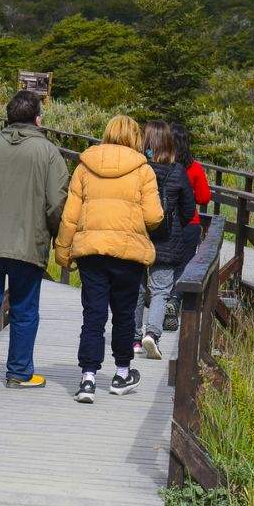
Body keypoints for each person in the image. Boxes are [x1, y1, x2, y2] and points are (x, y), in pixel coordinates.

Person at [0, 90, 69, 393]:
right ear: (38, 119)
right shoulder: (49, 153)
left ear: (7, 117)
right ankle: (19, 372)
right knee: (24, 309)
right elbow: (57, 203)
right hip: (28, 245)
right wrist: (51, 232)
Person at [55, 116, 163, 403]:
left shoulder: (84, 166)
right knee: (124, 315)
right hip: (128, 254)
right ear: (135, 138)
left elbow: (70, 215)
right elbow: (154, 216)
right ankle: (121, 373)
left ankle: (88, 378)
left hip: (91, 251)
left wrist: (62, 251)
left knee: (93, 315)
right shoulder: (143, 170)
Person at [132, 121, 196, 360]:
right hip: (168, 239)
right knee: (160, 290)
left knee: (137, 288)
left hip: (139, 236)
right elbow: (189, 210)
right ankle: (153, 333)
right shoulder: (178, 171)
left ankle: (134, 338)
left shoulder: (138, 169)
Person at [164, 122, 213, 326]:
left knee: (164, 262)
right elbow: (204, 197)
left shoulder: (163, 165)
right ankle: (175, 300)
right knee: (184, 265)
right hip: (189, 224)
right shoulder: (195, 168)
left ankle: (162, 299)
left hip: (165, 222)